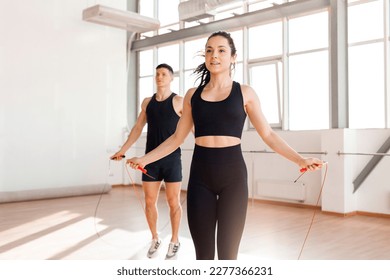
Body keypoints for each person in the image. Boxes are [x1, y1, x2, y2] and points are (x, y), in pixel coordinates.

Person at [127, 31, 324, 260]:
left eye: (221, 50)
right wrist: (144, 159)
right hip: (201, 179)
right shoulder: (193, 95)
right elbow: (176, 138)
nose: (214, 55)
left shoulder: (245, 93)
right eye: (209, 50)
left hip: (233, 180)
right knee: (204, 256)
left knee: (228, 255)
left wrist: (300, 160)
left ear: (233, 57)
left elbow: (268, 134)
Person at [111, 63, 183, 260]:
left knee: (173, 201)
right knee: (149, 202)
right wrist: (122, 150)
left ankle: (175, 240)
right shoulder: (147, 103)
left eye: (164, 74)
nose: (159, 77)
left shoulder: (179, 102)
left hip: (171, 161)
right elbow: (137, 129)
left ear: (171, 78)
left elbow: (191, 128)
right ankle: (155, 238)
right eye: (157, 74)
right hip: (149, 160)